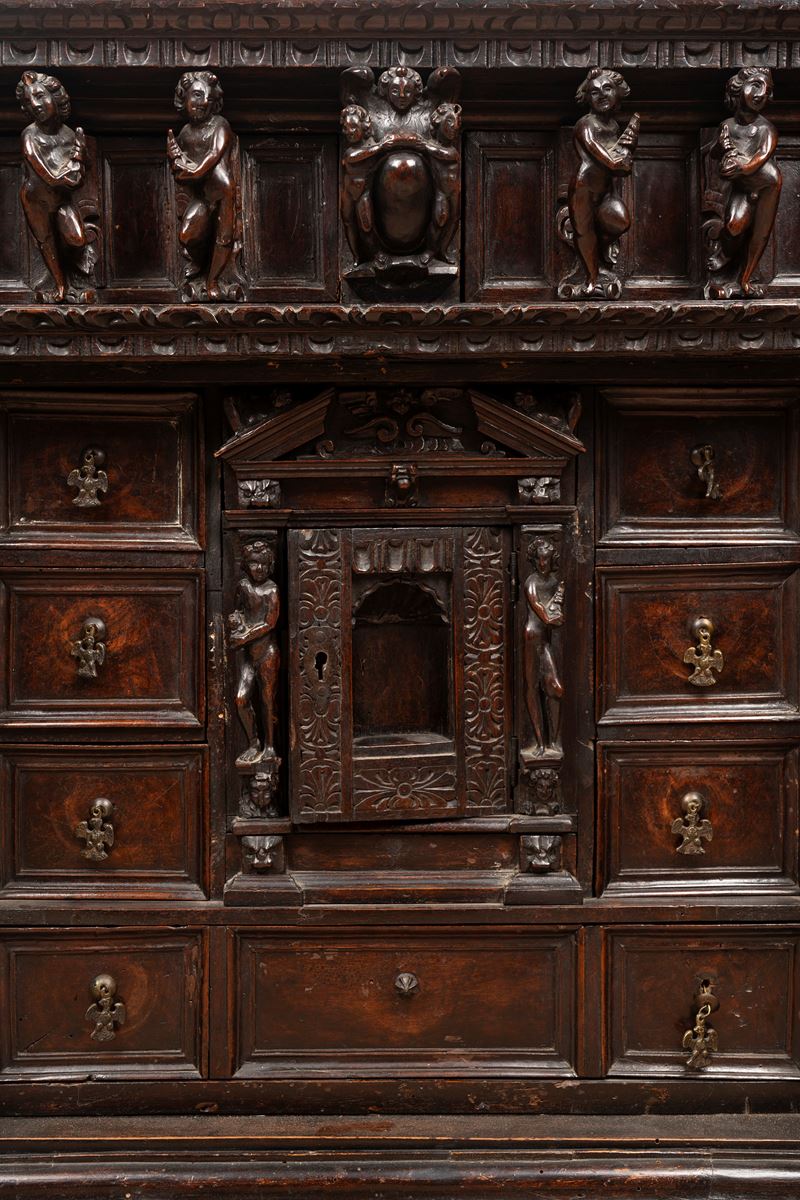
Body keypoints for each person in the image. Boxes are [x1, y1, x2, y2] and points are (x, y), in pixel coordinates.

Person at [559, 68, 639, 299]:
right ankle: (591, 279)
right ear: (587, 99)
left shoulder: (613, 126)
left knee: (621, 221)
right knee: (584, 232)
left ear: (618, 93)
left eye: (607, 88)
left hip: (606, 191)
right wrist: (616, 163)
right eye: (594, 92)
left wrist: (628, 151)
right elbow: (595, 149)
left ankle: (598, 253)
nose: (602, 95)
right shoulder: (586, 124)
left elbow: (619, 154)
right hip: (584, 189)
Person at [706, 67, 781, 298]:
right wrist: (720, 146)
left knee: (760, 233)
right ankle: (726, 256)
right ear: (737, 89)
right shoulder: (727, 126)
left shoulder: (766, 128)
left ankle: (745, 279)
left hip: (768, 186)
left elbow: (762, 155)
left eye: (767, 89)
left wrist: (743, 167)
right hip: (743, 188)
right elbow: (714, 152)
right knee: (734, 226)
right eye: (756, 85)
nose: (762, 93)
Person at [17, 71, 91, 301]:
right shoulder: (30, 136)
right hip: (35, 200)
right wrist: (67, 176)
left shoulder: (69, 135)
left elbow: (80, 170)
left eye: (40, 96)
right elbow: (47, 174)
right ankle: (60, 286)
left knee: (76, 239)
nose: (35, 104)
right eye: (29, 101)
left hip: (61, 200)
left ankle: (75, 273)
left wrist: (80, 160)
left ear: (57, 98)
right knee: (46, 241)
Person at [167, 71, 240, 300]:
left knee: (224, 238)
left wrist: (194, 172)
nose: (204, 102)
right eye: (197, 95)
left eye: (209, 98)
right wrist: (177, 163)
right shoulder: (185, 133)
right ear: (184, 97)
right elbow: (180, 168)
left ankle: (213, 281)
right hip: (202, 196)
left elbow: (214, 154)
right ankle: (200, 264)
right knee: (187, 235)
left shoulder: (220, 125)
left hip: (223, 193)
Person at [228, 541, 280, 765]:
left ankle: (270, 746)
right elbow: (238, 610)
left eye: (264, 564)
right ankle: (253, 742)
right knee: (241, 699)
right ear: (246, 565)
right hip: (248, 656)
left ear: (270, 565)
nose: (259, 568)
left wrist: (245, 636)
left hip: (267, 653)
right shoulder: (243, 587)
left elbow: (270, 623)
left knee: (268, 700)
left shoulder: (272, 590)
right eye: (254, 563)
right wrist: (235, 622)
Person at [523, 538, 565, 756]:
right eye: (539, 559)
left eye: (546, 559)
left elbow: (555, 607)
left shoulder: (555, 581)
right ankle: (540, 742)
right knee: (532, 688)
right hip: (532, 637)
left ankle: (554, 741)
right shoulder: (531, 581)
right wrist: (550, 618)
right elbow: (537, 605)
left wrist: (556, 611)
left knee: (555, 689)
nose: (542, 564)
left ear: (552, 560)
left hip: (546, 641)